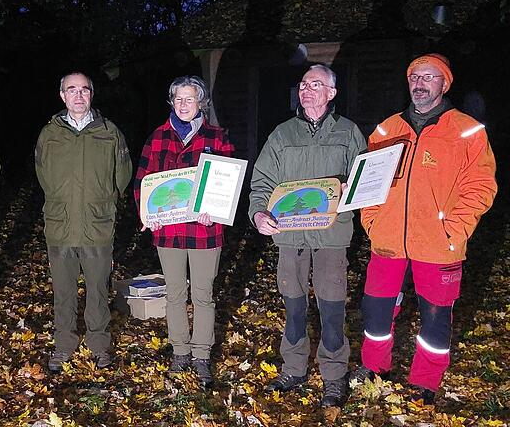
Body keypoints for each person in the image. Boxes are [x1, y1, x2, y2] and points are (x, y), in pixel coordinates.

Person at [352, 53, 497, 405]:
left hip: (438, 243)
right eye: (414, 76)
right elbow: (368, 182)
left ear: (444, 84)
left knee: (435, 314)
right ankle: (375, 368)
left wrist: (454, 229)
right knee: (376, 308)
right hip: (387, 240)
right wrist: (372, 221)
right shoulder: (387, 129)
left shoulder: (467, 131)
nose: (419, 83)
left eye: (429, 77)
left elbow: (481, 186)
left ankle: (425, 382)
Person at [248, 65, 366, 407]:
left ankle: (333, 376)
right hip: (290, 238)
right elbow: (261, 182)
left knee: (331, 309)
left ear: (332, 93)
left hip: (331, 236)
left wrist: (351, 192)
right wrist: (258, 214)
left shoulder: (348, 133)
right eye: (303, 84)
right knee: (294, 306)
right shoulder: (282, 135)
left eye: (316, 84)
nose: (307, 90)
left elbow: (367, 180)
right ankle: (295, 369)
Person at [134, 75, 234, 387]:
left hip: (205, 231)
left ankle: (202, 355)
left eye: (189, 99)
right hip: (168, 231)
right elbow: (143, 183)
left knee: (202, 295)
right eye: (178, 99)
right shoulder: (157, 138)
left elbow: (226, 181)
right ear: (172, 102)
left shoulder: (217, 137)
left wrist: (214, 210)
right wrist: (149, 213)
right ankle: (180, 351)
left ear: (201, 103)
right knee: (175, 294)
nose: (183, 104)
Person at [35, 72, 132, 372]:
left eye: (84, 90)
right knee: (62, 292)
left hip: (97, 225)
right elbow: (43, 174)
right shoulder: (49, 134)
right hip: (60, 226)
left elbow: (122, 175)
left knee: (98, 290)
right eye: (71, 90)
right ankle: (64, 344)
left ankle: (99, 346)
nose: (78, 95)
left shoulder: (109, 132)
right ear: (62, 95)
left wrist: (104, 200)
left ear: (92, 94)